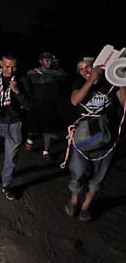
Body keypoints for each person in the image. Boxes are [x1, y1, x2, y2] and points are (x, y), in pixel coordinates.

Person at [63, 55, 126, 222]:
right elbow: (75, 101)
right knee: (77, 172)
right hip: (82, 139)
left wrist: (120, 81)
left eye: (89, 66)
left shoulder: (111, 83)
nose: (86, 71)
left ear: (98, 65)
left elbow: (124, 104)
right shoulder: (78, 84)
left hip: (106, 140)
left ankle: (86, 206)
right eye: (82, 69)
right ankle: (74, 199)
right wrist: (91, 80)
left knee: (99, 177)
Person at [0, 53, 32, 200]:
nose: (10, 70)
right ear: (1, 64)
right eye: (7, 66)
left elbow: (29, 105)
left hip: (14, 124)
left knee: (11, 159)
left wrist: (17, 91)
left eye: (13, 67)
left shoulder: (22, 80)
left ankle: (7, 185)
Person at [23, 51, 70, 159]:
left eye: (50, 60)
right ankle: (30, 139)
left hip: (51, 105)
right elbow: (28, 84)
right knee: (33, 127)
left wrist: (58, 68)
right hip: (36, 104)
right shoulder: (33, 73)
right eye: (46, 60)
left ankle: (46, 151)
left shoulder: (57, 72)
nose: (49, 62)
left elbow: (64, 79)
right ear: (41, 61)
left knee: (49, 129)